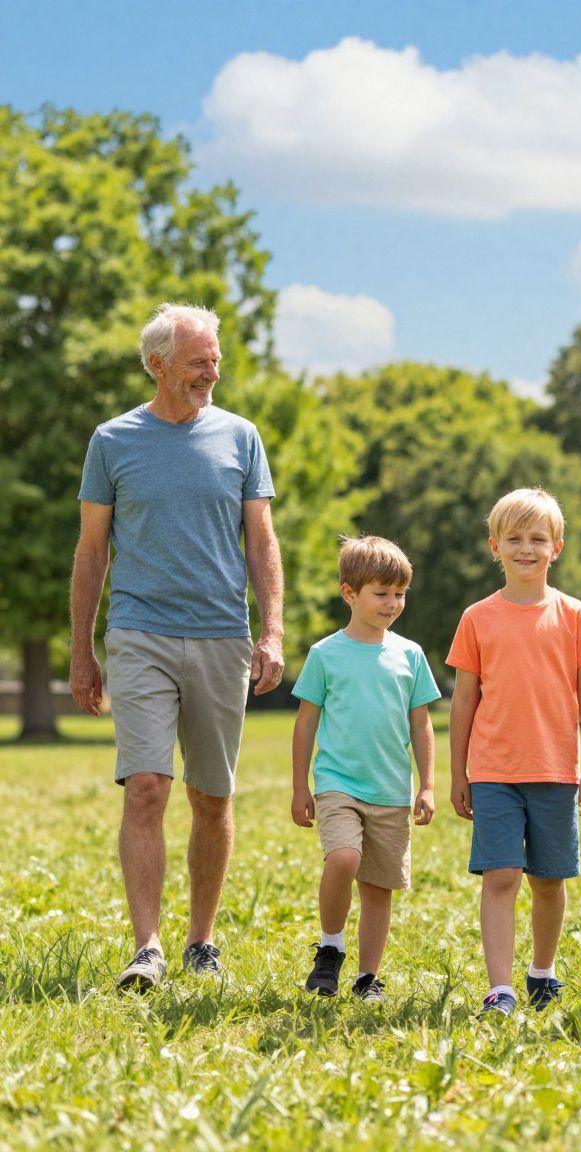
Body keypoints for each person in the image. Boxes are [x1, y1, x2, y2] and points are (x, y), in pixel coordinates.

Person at [70, 302, 284, 991]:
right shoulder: (113, 440)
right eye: (199, 362)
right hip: (139, 632)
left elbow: (262, 541)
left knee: (212, 797)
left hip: (222, 633)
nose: (211, 372)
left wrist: (273, 627)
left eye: (215, 360)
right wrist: (83, 649)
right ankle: (148, 947)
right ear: (158, 365)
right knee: (146, 788)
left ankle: (202, 940)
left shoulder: (241, 437)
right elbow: (93, 549)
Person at [448, 488, 581, 1016]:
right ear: (494, 546)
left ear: (556, 546)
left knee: (547, 879)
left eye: (537, 538)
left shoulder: (576, 616)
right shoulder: (476, 618)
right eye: (513, 538)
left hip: (556, 769)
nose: (525, 548)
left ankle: (542, 972)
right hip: (494, 769)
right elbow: (464, 700)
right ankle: (501, 988)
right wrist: (458, 773)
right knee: (501, 875)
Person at [290, 536, 440, 1001]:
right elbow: (306, 723)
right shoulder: (325, 654)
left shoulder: (410, 655)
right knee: (343, 858)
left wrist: (429, 785)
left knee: (378, 889)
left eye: (399, 594)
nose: (393, 603)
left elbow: (421, 723)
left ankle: (367, 978)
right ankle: (331, 948)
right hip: (338, 785)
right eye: (381, 593)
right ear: (349, 593)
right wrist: (301, 786)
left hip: (392, 789)